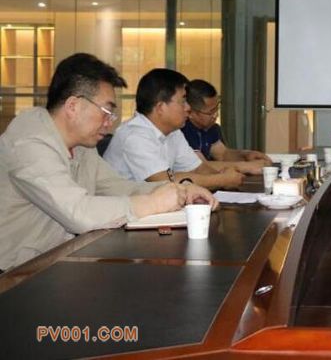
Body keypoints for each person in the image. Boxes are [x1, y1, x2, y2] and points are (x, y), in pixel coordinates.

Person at [0, 54, 217, 272]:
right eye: (106, 111)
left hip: (59, 261)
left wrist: (180, 190)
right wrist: (153, 203)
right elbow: (79, 213)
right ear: (73, 106)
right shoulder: (29, 143)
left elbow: (119, 187)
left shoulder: (81, 145)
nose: (110, 122)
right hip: (14, 276)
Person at [104, 69, 245, 189]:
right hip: (124, 210)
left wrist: (223, 177)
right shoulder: (135, 135)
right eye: (183, 101)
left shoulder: (173, 132)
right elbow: (164, 182)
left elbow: (198, 168)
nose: (188, 108)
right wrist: (222, 180)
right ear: (161, 107)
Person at [182, 79, 271, 174]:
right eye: (210, 112)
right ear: (190, 112)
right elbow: (200, 167)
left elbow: (222, 154)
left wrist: (245, 155)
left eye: (217, 108)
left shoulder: (211, 127)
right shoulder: (184, 130)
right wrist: (246, 166)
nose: (216, 115)